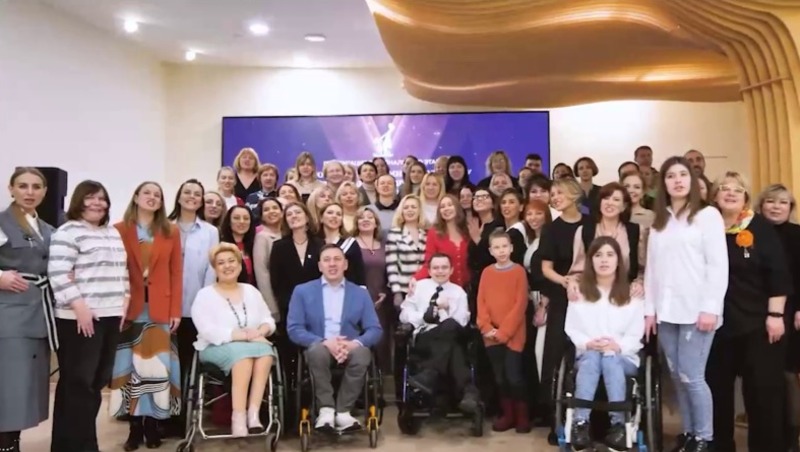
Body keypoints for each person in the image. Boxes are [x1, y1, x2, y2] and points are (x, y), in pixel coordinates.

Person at [644, 156, 728, 452]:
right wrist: (649, 310)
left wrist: (711, 307)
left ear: (692, 180)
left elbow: (718, 266)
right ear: (663, 183)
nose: (677, 180)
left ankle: (704, 437)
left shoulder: (708, 215)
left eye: (683, 174)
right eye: (671, 176)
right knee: (677, 377)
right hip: (667, 312)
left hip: (697, 311)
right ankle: (689, 433)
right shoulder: (660, 222)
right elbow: (652, 269)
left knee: (692, 377)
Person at [706, 173, 792, 452]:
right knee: (717, 393)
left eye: (738, 189)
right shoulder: (706, 227)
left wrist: (776, 316)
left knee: (762, 396)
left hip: (758, 324)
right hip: (716, 326)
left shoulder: (760, 227)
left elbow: (778, 274)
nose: (731, 193)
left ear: (745, 196)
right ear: (715, 196)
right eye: (724, 188)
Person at [48, 180, 129, 452]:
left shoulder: (111, 232)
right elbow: (58, 273)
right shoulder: (68, 231)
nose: (97, 203)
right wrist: (79, 307)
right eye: (90, 197)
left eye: (102, 198)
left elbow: (122, 271)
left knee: (96, 383)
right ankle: (81, 446)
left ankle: (71, 444)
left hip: (111, 315)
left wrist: (125, 300)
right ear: (79, 201)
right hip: (79, 318)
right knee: (79, 384)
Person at [112, 182, 183, 451]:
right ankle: (134, 428)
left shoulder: (170, 231)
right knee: (131, 371)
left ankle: (153, 425)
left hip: (160, 309)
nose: (152, 198)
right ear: (136, 197)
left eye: (157, 195)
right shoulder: (119, 230)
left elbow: (176, 272)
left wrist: (175, 309)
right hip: (129, 310)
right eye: (147, 193)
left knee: (155, 370)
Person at [286, 244, 383, 432]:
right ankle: (326, 409)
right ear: (320, 266)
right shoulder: (302, 291)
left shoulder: (360, 293)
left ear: (345, 264)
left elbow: (374, 329)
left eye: (337, 259)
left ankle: (343, 411)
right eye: (327, 260)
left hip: (349, 347)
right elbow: (294, 328)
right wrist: (324, 342)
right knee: (316, 351)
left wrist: (354, 343)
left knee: (363, 354)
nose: (332, 264)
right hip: (319, 345)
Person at [564, 237, 645, 451]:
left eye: (610, 255)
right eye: (598, 255)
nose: (604, 260)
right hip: (588, 354)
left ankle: (619, 425)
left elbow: (636, 333)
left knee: (610, 359)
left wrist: (617, 347)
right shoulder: (579, 293)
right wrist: (588, 343)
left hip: (623, 357)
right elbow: (572, 328)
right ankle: (580, 423)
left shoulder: (633, 295)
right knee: (592, 358)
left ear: (618, 260)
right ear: (591, 261)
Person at [192, 243, 277, 436]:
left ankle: (253, 414)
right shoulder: (205, 295)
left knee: (266, 355)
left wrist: (260, 331)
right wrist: (243, 336)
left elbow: (268, 320)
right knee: (243, 357)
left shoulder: (251, 291)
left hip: (253, 344)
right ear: (215, 268)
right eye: (221, 263)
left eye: (231, 261)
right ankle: (238, 417)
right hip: (215, 346)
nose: (227, 266)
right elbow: (207, 331)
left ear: (240, 265)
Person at [0, 168, 56, 452]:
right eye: (23, 186)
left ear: (45, 192)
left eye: (36, 186)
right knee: (9, 383)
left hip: (40, 315)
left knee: (26, 386)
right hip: (10, 316)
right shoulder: (2, 223)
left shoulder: (49, 229)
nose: (30, 192)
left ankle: (13, 440)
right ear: (11, 189)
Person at [399, 253, 479, 412]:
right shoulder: (419, 287)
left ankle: (431, 373)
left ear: (451, 270)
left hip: (452, 336)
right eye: (436, 268)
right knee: (454, 348)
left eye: (444, 267)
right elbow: (404, 315)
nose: (440, 271)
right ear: (429, 270)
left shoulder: (458, 292)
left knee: (450, 328)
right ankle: (468, 390)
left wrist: (448, 309)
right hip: (425, 338)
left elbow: (462, 321)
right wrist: (424, 317)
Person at [477, 231, 529, 433]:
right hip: (491, 335)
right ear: (491, 251)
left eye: (504, 246)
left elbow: (520, 304)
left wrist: (504, 332)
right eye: (497, 247)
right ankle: (508, 415)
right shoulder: (487, 272)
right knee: (500, 378)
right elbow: (481, 302)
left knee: (514, 376)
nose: (501, 251)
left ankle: (522, 417)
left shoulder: (519, 272)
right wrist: (486, 327)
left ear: (511, 248)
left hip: (513, 334)